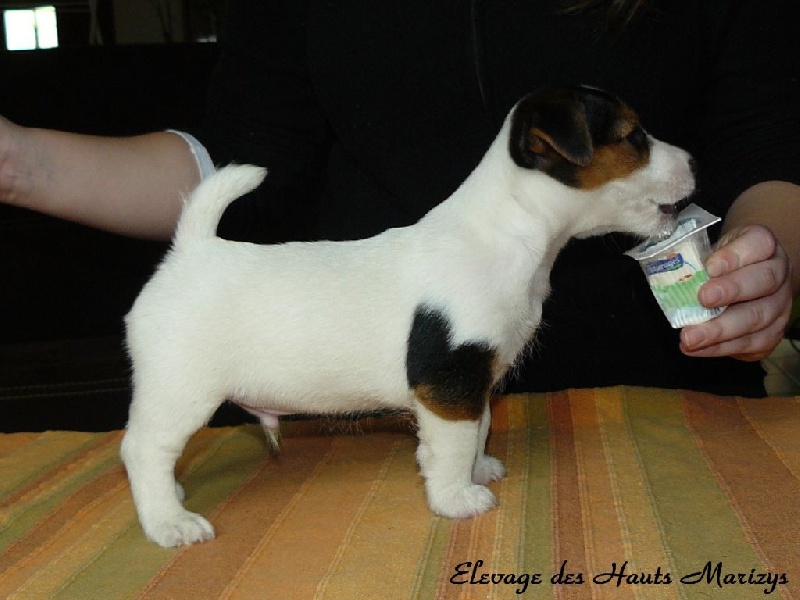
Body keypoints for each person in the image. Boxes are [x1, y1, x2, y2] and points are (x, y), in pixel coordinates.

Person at [1, 0, 798, 397]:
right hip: (363, 411)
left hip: (655, 400)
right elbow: (241, 159)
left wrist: (766, 257)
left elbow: (771, 152)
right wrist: (21, 164)